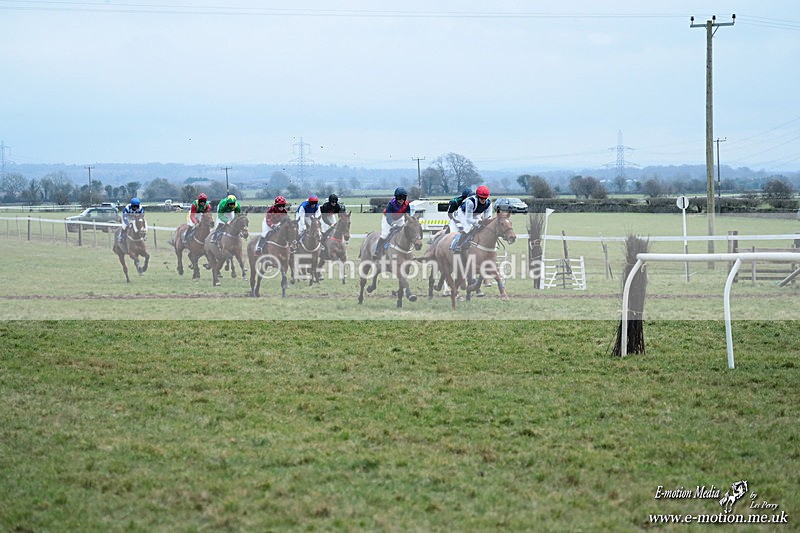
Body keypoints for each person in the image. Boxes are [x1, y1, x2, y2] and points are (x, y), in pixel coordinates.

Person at [373, 187, 411, 260]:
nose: (401, 200)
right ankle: (377, 251)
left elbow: (408, 215)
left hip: (399, 218)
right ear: (396, 197)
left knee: (405, 233)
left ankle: (407, 251)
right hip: (388, 219)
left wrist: (408, 223)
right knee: (385, 235)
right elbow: (389, 218)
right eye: (399, 198)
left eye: (403, 198)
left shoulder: (406, 204)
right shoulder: (391, 204)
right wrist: (393, 225)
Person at [452, 185, 492, 254]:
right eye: (482, 198)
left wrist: (485, 223)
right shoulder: (470, 202)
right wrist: (479, 222)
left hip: (476, 214)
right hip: (463, 214)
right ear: (477, 196)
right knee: (468, 229)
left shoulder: (488, 203)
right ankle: (458, 246)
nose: (483, 200)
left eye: (485, 198)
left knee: (482, 229)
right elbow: (469, 219)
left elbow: (488, 218)